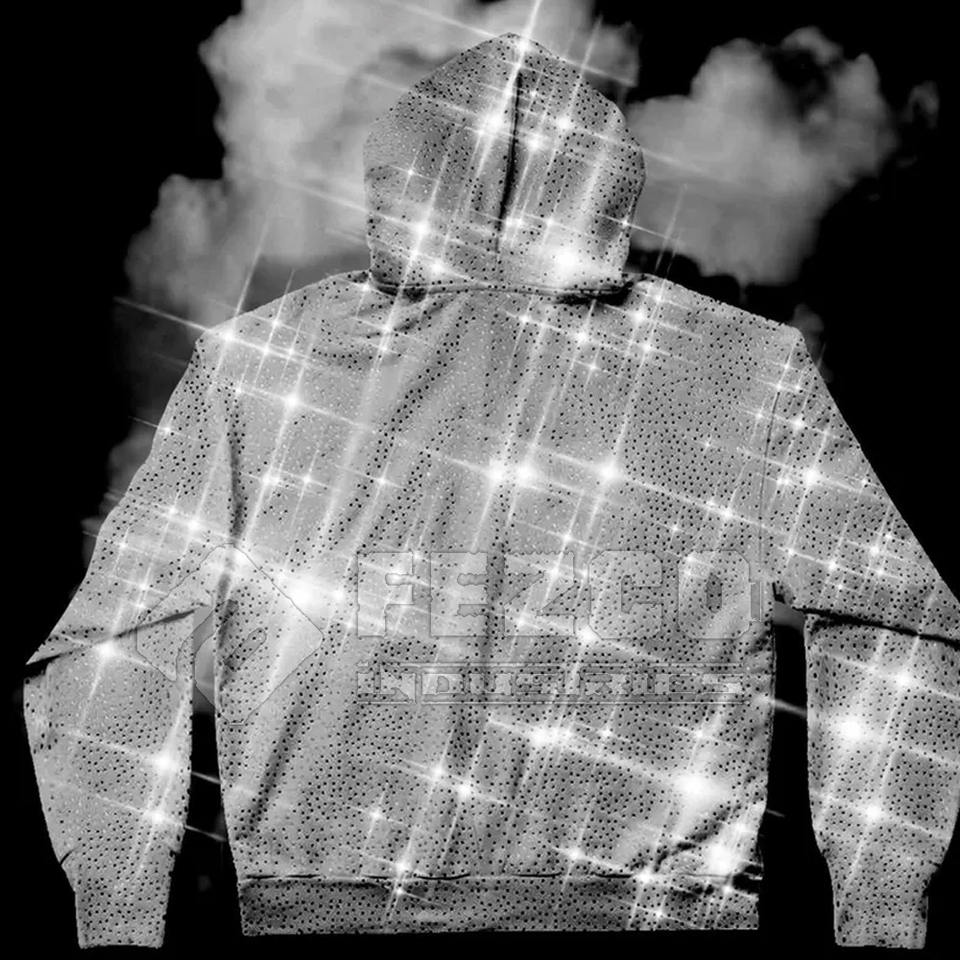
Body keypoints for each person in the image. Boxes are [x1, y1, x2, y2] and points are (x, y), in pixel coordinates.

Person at [24, 32, 959, 948]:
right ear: (603, 182)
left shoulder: (257, 369)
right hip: (657, 907)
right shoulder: (743, 364)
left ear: (400, 174)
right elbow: (895, 613)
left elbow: (114, 632)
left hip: (331, 905)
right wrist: (880, 904)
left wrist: (119, 911)